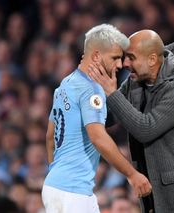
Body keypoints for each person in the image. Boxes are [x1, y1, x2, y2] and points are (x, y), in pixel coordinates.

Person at [88, 30, 174, 212]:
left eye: (131, 58)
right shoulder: (136, 83)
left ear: (151, 59)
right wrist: (90, 94)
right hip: (157, 195)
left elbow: (145, 129)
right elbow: (108, 115)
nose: (125, 64)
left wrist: (111, 93)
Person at [42, 24, 152, 213]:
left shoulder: (66, 84)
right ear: (95, 56)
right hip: (74, 193)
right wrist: (132, 175)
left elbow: (50, 137)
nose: (119, 65)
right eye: (115, 58)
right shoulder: (91, 90)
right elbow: (98, 137)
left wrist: (58, 175)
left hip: (53, 187)